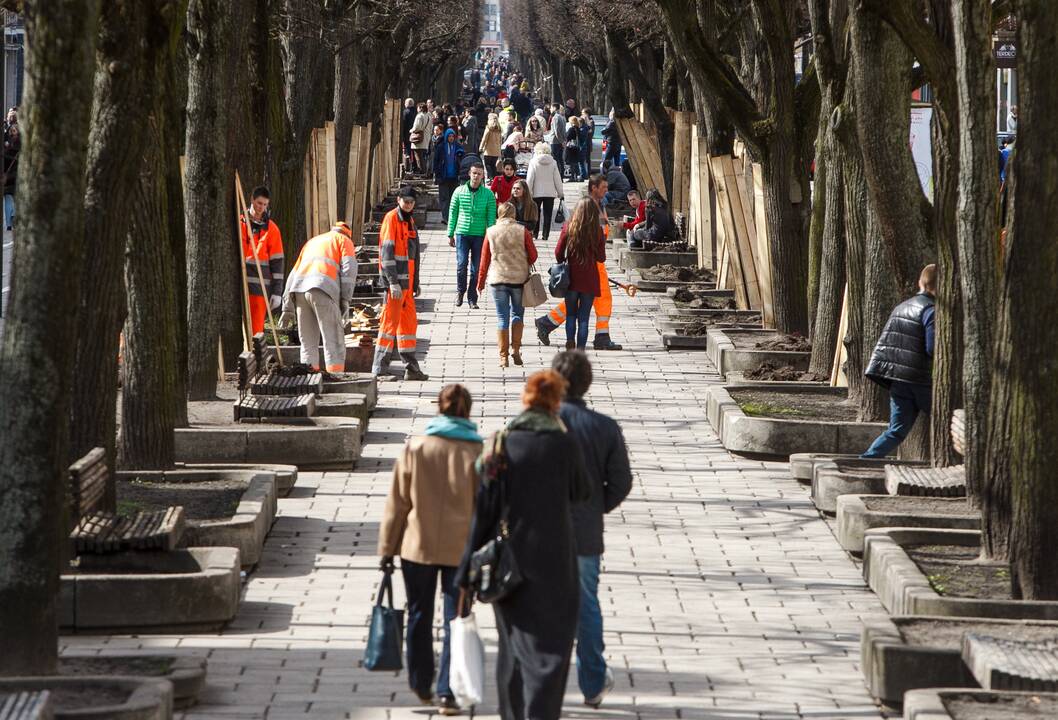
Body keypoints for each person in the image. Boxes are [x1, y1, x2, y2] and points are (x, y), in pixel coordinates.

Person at [455, 371, 591, 720]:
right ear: (556, 402)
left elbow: (482, 511)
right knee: (553, 648)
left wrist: (465, 570)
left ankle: (513, 715)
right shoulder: (565, 444)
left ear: (526, 399)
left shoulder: (501, 443)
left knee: (512, 646)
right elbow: (582, 492)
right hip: (557, 563)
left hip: (511, 564)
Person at [379, 384, 483, 717]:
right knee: (457, 618)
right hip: (461, 551)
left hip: (417, 547)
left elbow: (397, 503)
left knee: (419, 615)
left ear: (439, 408)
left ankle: (420, 682)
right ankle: (447, 692)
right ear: (467, 412)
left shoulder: (416, 448)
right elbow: (486, 508)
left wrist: (387, 549)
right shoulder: (478, 452)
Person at [551, 350, 632, 708]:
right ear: (587, 383)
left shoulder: (538, 423)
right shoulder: (604, 427)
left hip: (541, 533)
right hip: (585, 532)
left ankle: (545, 683)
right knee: (586, 606)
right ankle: (593, 681)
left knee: (542, 607)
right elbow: (621, 481)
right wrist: (597, 507)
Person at [535, 175, 623, 351]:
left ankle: (548, 323)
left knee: (578, 301)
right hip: (592, 265)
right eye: (603, 187)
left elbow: (561, 249)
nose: (606, 190)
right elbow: (598, 244)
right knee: (597, 300)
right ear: (593, 188)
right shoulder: (591, 208)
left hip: (586, 265)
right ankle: (600, 337)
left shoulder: (596, 205)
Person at [861, 264, 937, 459]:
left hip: (899, 380)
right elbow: (932, 348)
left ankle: (868, 459)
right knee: (947, 421)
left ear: (920, 282)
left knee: (896, 430)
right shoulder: (932, 310)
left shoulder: (902, 307)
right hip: (921, 379)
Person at [280, 221, 356, 374]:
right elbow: (349, 271)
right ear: (348, 234)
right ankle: (336, 378)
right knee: (333, 340)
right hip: (323, 290)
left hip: (300, 291)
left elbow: (293, 274)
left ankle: (308, 379)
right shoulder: (344, 241)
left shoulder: (313, 242)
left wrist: (287, 307)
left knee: (307, 342)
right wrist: (345, 299)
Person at [371, 186, 428, 381]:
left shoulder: (409, 221)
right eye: (406, 202)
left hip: (408, 287)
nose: (409, 205)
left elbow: (414, 257)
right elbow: (386, 254)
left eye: (412, 202)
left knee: (408, 327)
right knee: (388, 326)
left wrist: (415, 283)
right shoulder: (391, 219)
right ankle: (379, 369)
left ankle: (411, 368)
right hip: (396, 287)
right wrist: (392, 283)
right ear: (399, 200)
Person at [477, 203, 539, 368]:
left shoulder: (490, 231)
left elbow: (484, 259)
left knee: (502, 318)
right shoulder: (522, 231)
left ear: (499, 214)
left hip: (497, 280)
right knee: (517, 315)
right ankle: (516, 350)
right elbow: (533, 255)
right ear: (513, 214)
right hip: (519, 279)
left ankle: (503, 357)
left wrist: (480, 282)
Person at [555, 198, 605, 350]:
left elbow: (558, 252)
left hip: (571, 278)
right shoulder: (597, 230)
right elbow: (601, 258)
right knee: (583, 318)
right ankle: (581, 349)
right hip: (589, 278)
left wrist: (564, 260)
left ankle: (570, 341)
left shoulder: (569, 227)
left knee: (571, 314)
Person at [447, 162, 497, 310]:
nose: (476, 176)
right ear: (469, 174)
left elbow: (491, 217)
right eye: (474, 173)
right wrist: (450, 234)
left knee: (476, 270)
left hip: (480, 235)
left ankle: (472, 298)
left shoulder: (488, 195)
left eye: (479, 174)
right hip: (462, 233)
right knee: (461, 265)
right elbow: (453, 213)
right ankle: (460, 291)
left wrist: (491, 236)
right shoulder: (459, 191)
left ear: (483, 176)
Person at [240, 186, 285, 335]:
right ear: (252, 200)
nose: (262, 208)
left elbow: (278, 263)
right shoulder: (240, 223)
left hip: (260, 289)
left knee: (256, 331)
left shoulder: (272, 229)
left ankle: (256, 358)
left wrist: (277, 292)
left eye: (265, 205)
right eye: (259, 203)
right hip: (239, 286)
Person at [526, 142, 563, 242]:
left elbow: (530, 179)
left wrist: (528, 192)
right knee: (548, 214)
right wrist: (561, 193)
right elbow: (557, 179)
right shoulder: (553, 162)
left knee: (535, 213)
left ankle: (535, 233)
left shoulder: (533, 162)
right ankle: (545, 234)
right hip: (550, 193)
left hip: (536, 193)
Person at [434, 128, 465, 223]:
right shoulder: (441, 147)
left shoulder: (458, 147)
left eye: (452, 136)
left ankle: (452, 218)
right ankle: (445, 217)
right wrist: (436, 174)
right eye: (449, 136)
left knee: (453, 198)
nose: (451, 138)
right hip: (443, 176)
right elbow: (436, 161)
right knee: (444, 198)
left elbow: (462, 160)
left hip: (454, 177)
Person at [3, 118, 18, 233]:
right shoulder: (21, 145)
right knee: (16, 199)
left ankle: (8, 224)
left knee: (8, 199)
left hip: (8, 176)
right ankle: (14, 215)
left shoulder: (5, 146)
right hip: (17, 176)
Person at [546, 103, 568, 179]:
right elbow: (563, 131)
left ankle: (558, 176)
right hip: (560, 141)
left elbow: (557, 131)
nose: (550, 109)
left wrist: (562, 141)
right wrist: (564, 140)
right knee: (560, 159)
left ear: (554, 108)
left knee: (556, 160)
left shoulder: (556, 117)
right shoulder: (562, 117)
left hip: (555, 141)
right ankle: (560, 176)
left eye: (551, 108)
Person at [411, 103, 433, 173]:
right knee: (423, 157)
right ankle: (424, 171)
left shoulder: (419, 116)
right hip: (426, 138)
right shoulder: (429, 116)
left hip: (419, 139)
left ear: (420, 108)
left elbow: (417, 127)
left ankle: (422, 172)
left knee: (418, 156)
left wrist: (411, 130)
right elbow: (431, 128)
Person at [479, 113, 503, 178]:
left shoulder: (488, 128)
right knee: (493, 165)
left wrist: (480, 147)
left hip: (488, 150)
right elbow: (500, 141)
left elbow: (484, 139)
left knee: (487, 165)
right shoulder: (499, 129)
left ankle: (490, 177)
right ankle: (494, 177)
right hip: (496, 151)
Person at [401, 98, 418, 170]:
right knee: (415, 151)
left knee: (408, 151)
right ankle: (415, 166)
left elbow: (403, 124)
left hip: (407, 134)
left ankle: (408, 166)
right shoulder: (417, 112)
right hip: (416, 135)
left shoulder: (405, 112)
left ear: (406, 104)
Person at [565, 116, 583, 182]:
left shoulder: (571, 129)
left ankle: (572, 177)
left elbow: (568, 137)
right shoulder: (578, 128)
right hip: (576, 148)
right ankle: (577, 176)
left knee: (571, 163)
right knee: (575, 163)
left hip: (571, 148)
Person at [578, 109, 594, 180]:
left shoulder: (591, 122)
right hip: (584, 143)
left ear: (587, 114)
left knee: (587, 159)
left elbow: (590, 133)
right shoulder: (582, 122)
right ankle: (585, 173)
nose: (581, 114)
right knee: (583, 159)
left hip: (587, 143)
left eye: (583, 113)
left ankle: (587, 174)